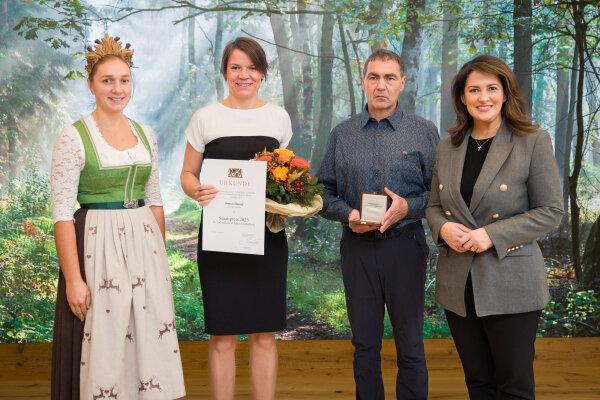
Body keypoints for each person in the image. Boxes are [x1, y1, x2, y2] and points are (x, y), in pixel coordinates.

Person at [50, 35, 185, 400]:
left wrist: (161, 264)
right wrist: (74, 279)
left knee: (145, 339)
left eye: (124, 80)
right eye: (107, 80)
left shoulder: (145, 134)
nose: (117, 88)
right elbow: (63, 214)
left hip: (143, 248)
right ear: (91, 84)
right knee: (105, 341)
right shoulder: (73, 137)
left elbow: (154, 199)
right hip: (97, 244)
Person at [425, 55, 564, 399]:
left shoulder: (532, 141)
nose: (482, 97)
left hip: (511, 281)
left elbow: (551, 211)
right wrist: (443, 229)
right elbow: (433, 207)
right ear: (462, 96)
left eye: (491, 88)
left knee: (514, 387)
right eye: (474, 89)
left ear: (505, 94)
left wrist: (491, 235)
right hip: (459, 283)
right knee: (478, 384)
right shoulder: (448, 146)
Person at [316, 49, 439, 400]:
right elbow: (323, 192)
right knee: (365, 344)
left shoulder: (423, 132)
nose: (381, 86)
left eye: (389, 78)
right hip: (357, 249)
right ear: (364, 81)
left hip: (405, 246)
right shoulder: (343, 134)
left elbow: (440, 195)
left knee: (410, 343)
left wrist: (407, 207)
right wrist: (349, 214)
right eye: (374, 77)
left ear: (402, 83)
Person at [180, 37, 292, 400]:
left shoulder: (278, 117)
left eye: (252, 67)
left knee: (264, 333)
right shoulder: (205, 117)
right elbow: (186, 174)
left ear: (262, 73)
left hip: (267, 238)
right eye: (235, 67)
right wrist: (196, 190)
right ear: (225, 72)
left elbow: (285, 175)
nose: (244, 74)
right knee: (223, 334)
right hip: (219, 237)